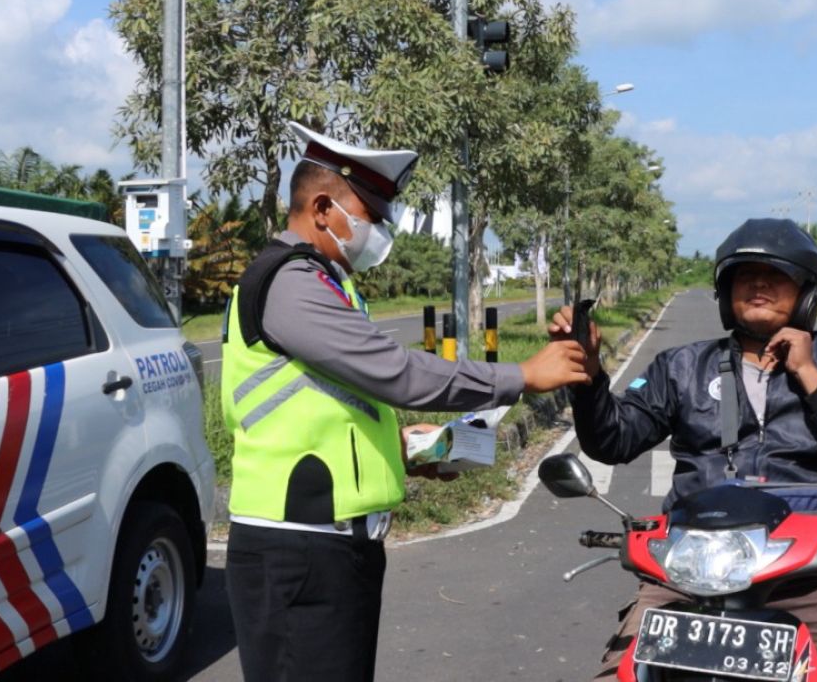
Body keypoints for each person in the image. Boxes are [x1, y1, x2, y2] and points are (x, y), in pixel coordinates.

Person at [221, 122, 591, 681]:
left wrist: (407, 451)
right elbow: (398, 374)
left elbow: (327, 410)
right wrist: (521, 375)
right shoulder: (289, 282)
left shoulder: (328, 280)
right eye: (371, 213)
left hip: (333, 548)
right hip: (298, 551)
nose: (381, 229)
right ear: (323, 207)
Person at [549, 218, 817, 682]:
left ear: (806, 292)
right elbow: (612, 440)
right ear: (725, 292)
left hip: (813, 576)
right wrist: (590, 375)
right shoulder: (681, 367)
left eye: (776, 274)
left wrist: (811, 376)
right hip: (689, 573)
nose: (758, 283)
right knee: (619, 675)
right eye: (745, 275)